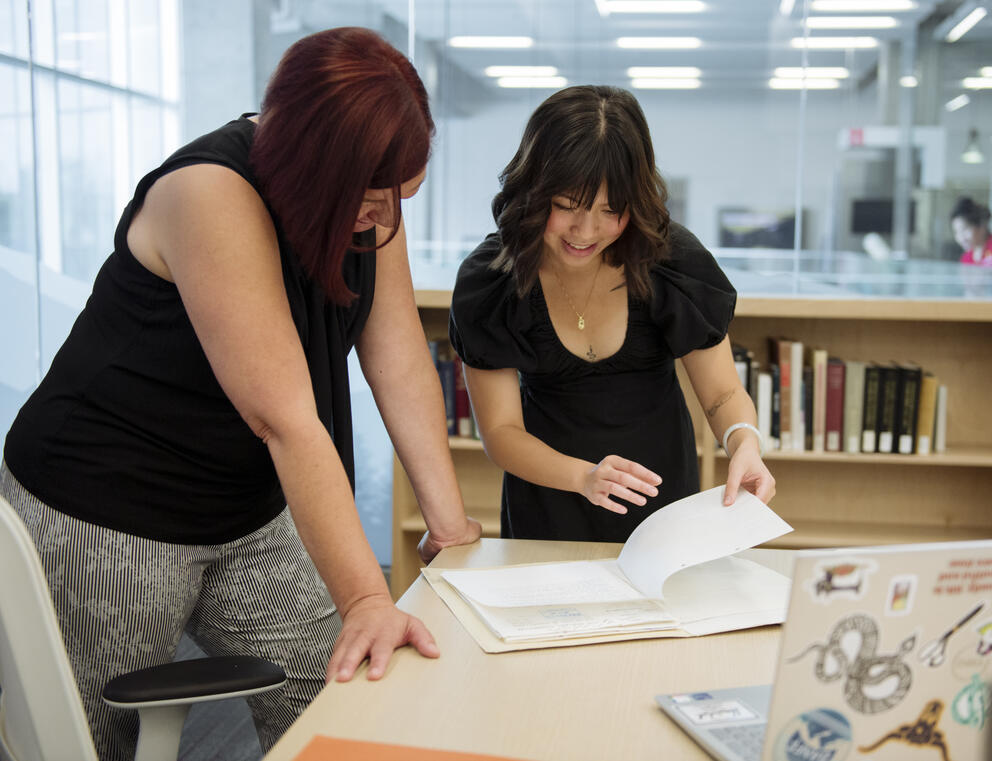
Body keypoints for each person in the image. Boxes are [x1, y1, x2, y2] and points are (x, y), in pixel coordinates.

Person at [0, 27, 480, 760]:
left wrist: (452, 529)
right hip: (106, 500)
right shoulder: (208, 192)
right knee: (93, 742)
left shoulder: (367, 195)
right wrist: (366, 597)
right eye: (372, 197)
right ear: (316, 162)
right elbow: (284, 416)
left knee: (344, 691)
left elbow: (400, 358)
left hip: (245, 509)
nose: (383, 216)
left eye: (399, 197)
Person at [448, 85, 775, 543]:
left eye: (610, 211)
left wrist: (745, 443)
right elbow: (500, 432)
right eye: (565, 207)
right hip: (549, 502)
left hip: (664, 506)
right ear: (534, 191)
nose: (585, 231)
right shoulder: (495, 280)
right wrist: (584, 477)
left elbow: (722, 394)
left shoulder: (670, 261)